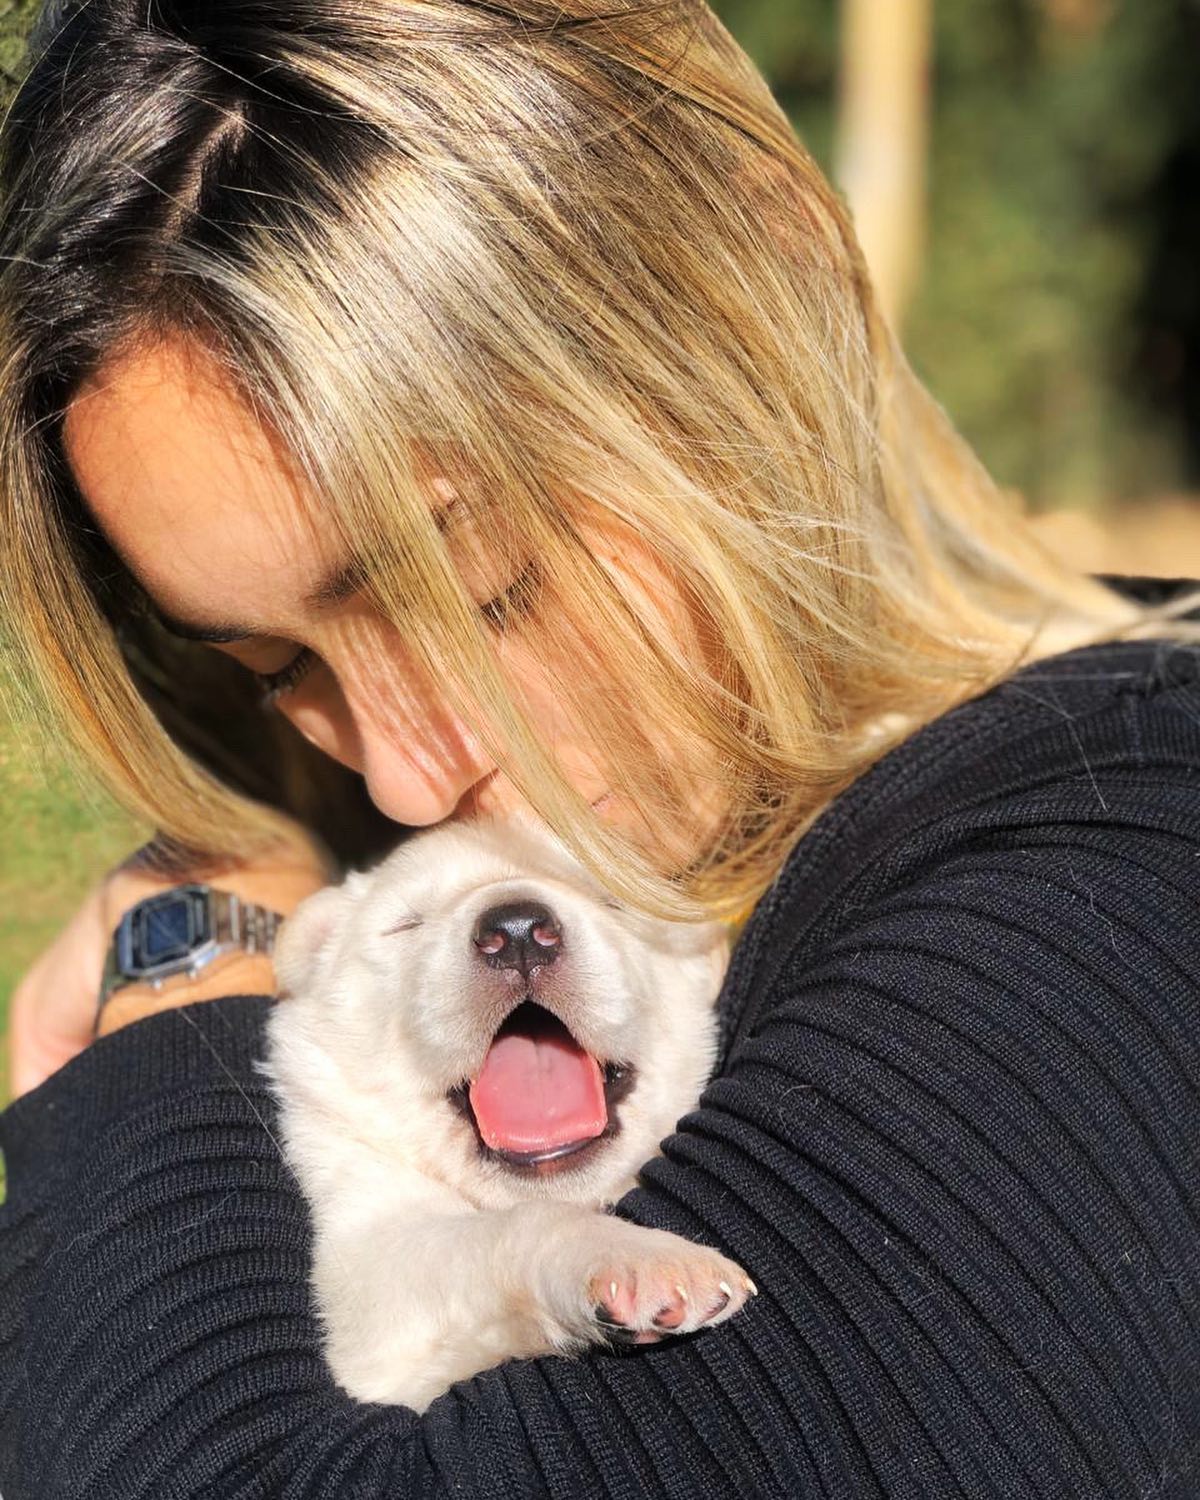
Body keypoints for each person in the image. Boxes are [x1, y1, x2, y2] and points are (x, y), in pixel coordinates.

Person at [1, 2, 1198, 1496]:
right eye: (281, 666)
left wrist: (175, 1004)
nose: (405, 779)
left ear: (748, 313)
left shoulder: (1104, 904)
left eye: (486, 587)